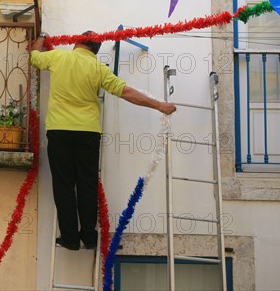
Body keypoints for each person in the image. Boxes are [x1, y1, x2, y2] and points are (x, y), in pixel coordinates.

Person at [30, 31, 177, 251]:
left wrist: (41, 38)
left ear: (78, 42)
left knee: (64, 185)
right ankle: (89, 237)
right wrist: (160, 106)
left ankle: (70, 238)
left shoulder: (58, 58)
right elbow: (126, 92)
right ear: (95, 50)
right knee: (87, 184)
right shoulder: (99, 69)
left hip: (59, 130)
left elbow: (34, 57)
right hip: (88, 133)